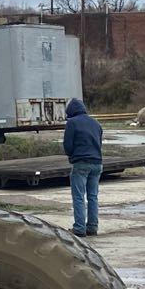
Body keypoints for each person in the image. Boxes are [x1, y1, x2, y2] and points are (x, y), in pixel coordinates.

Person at [62, 98, 103, 238]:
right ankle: (92, 227)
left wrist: (71, 156)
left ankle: (79, 228)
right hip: (97, 163)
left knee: (79, 196)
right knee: (93, 197)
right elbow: (99, 142)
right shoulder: (96, 123)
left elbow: (67, 144)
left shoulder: (72, 123)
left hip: (81, 163)